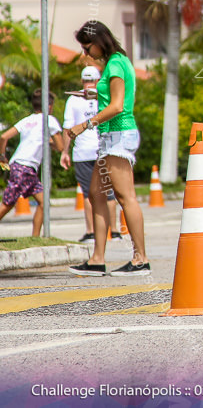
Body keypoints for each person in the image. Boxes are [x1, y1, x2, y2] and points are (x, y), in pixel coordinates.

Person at [68, 21, 148, 276]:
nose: (86, 54)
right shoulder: (119, 61)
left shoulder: (114, 63)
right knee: (96, 194)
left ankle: (140, 259)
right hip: (111, 136)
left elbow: (117, 106)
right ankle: (97, 259)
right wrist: (92, 97)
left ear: (100, 40)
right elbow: (113, 98)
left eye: (87, 47)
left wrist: (84, 125)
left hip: (118, 134)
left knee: (126, 197)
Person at [61, 65, 119, 243]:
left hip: (83, 153)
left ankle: (91, 232)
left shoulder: (74, 99)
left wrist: (65, 151)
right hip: (104, 150)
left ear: (82, 80)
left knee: (88, 194)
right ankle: (114, 231)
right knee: (108, 192)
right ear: (98, 80)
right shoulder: (106, 95)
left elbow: (68, 128)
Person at [0, 89, 64, 236]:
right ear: (48, 106)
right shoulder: (49, 120)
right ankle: (35, 235)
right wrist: (51, 142)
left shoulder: (27, 120)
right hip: (25, 167)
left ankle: (36, 237)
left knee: (43, 202)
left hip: (21, 166)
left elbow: (4, 137)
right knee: (8, 203)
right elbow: (60, 146)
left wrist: (2, 157)